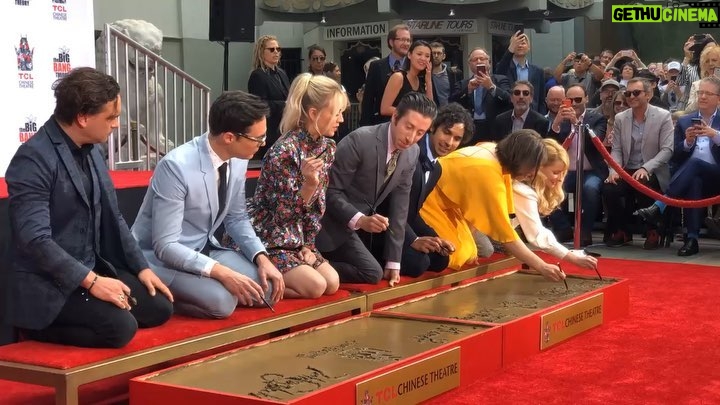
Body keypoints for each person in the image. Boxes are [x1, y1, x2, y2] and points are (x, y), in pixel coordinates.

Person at [5, 67, 173, 348]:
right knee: (120, 328)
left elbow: (114, 216)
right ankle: (36, 330)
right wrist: (93, 282)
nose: (116, 125)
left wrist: (141, 267)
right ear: (82, 117)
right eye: (111, 117)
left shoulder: (92, 148)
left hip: (91, 267)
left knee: (159, 307)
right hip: (48, 282)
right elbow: (35, 241)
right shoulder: (33, 160)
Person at [132, 91, 285, 319]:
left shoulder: (239, 159)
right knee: (223, 303)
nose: (263, 144)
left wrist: (261, 257)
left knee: (266, 290)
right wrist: (222, 273)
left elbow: (237, 218)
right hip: (161, 259)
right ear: (229, 137)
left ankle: (207, 287)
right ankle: (169, 299)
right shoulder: (176, 166)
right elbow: (165, 246)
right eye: (258, 138)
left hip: (204, 248)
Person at [231, 74, 346, 298]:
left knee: (332, 282)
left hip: (297, 237)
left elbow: (317, 206)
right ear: (314, 114)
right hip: (271, 236)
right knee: (316, 287)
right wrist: (309, 186)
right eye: (337, 113)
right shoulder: (284, 151)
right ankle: (258, 280)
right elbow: (281, 216)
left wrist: (309, 246)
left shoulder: (328, 147)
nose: (340, 119)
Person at [316, 92, 437, 286]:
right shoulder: (360, 140)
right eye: (409, 127)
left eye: (420, 133)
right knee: (372, 272)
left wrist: (394, 261)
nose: (411, 138)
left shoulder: (412, 152)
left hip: (365, 228)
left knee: (388, 270)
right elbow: (328, 192)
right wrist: (360, 219)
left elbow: (400, 207)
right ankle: (311, 264)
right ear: (395, 117)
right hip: (330, 224)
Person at [419, 129, 565, 282]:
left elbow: (473, 209)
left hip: (447, 204)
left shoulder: (491, 148)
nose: (532, 174)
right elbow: (507, 238)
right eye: (532, 168)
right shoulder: (489, 177)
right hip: (426, 199)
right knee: (454, 253)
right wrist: (542, 266)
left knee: (469, 250)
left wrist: (466, 238)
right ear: (522, 160)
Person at [635, 76, 720, 256]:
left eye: (708, 93)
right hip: (690, 176)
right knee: (694, 181)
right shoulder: (684, 121)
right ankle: (692, 239)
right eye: (700, 93)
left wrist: (715, 135)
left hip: (717, 175)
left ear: (718, 98)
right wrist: (688, 142)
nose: (702, 97)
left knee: (696, 164)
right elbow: (676, 156)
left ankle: (660, 205)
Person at [393, 103, 473, 277]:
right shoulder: (411, 154)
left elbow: (413, 212)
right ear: (433, 128)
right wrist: (413, 239)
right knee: (419, 263)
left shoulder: (437, 169)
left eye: (457, 138)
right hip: (383, 225)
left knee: (440, 258)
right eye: (447, 132)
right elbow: (390, 207)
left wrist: (435, 238)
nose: (449, 143)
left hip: (404, 224)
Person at [603, 78, 674, 249]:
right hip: (626, 169)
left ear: (648, 95)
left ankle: (652, 230)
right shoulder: (621, 118)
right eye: (628, 93)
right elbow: (617, 149)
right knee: (608, 188)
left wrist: (646, 167)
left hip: (653, 170)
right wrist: (614, 170)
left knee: (643, 182)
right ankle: (623, 230)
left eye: (636, 92)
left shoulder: (663, 116)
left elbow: (667, 150)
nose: (631, 96)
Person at [513, 138, 598, 269]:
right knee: (489, 249)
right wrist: (572, 258)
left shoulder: (527, 187)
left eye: (562, 173)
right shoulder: (522, 189)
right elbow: (537, 235)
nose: (560, 178)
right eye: (556, 172)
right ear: (539, 168)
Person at [247, 35, 290, 158]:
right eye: (271, 49)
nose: (276, 52)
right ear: (261, 52)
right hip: (270, 130)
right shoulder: (257, 75)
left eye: (278, 49)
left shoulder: (282, 73)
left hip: (284, 129)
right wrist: (285, 105)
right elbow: (259, 105)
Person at [360, 24, 412, 126]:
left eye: (408, 40)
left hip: (406, 124)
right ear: (391, 42)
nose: (406, 43)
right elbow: (368, 100)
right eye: (402, 39)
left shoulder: (412, 67)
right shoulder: (376, 66)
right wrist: (365, 126)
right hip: (381, 124)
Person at [380, 40, 434, 119]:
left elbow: (429, 108)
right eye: (419, 54)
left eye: (427, 56)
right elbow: (384, 109)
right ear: (409, 55)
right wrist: (413, 114)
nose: (423, 58)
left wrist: (428, 81)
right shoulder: (398, 77)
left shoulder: (421, 80)